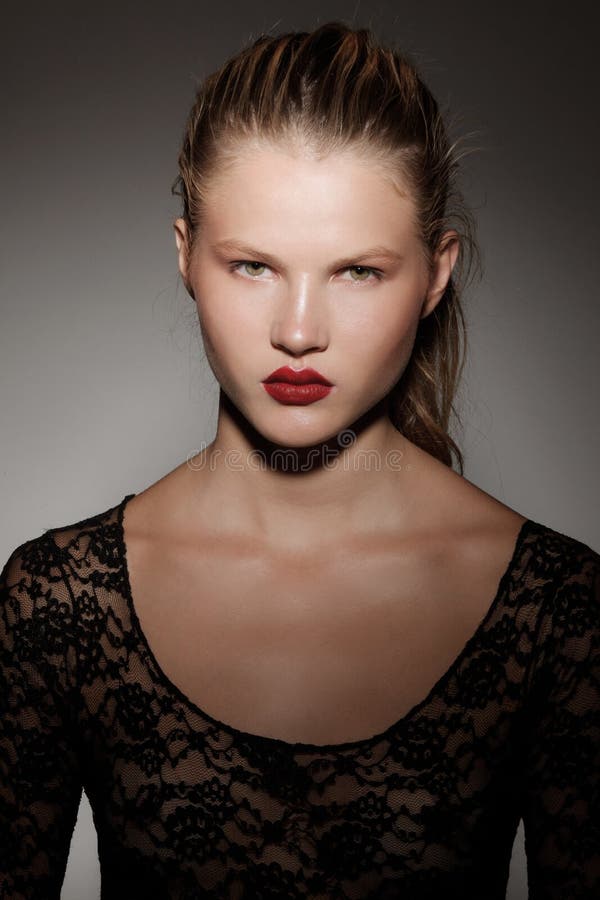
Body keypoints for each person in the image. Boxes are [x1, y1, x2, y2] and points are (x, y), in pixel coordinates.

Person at [1, 20, 598, 900]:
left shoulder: (558, 613)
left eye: (357, 271)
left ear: (436, 276)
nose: (298, 331)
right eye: (252, 267)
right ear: (186, 259)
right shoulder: (56, 603)